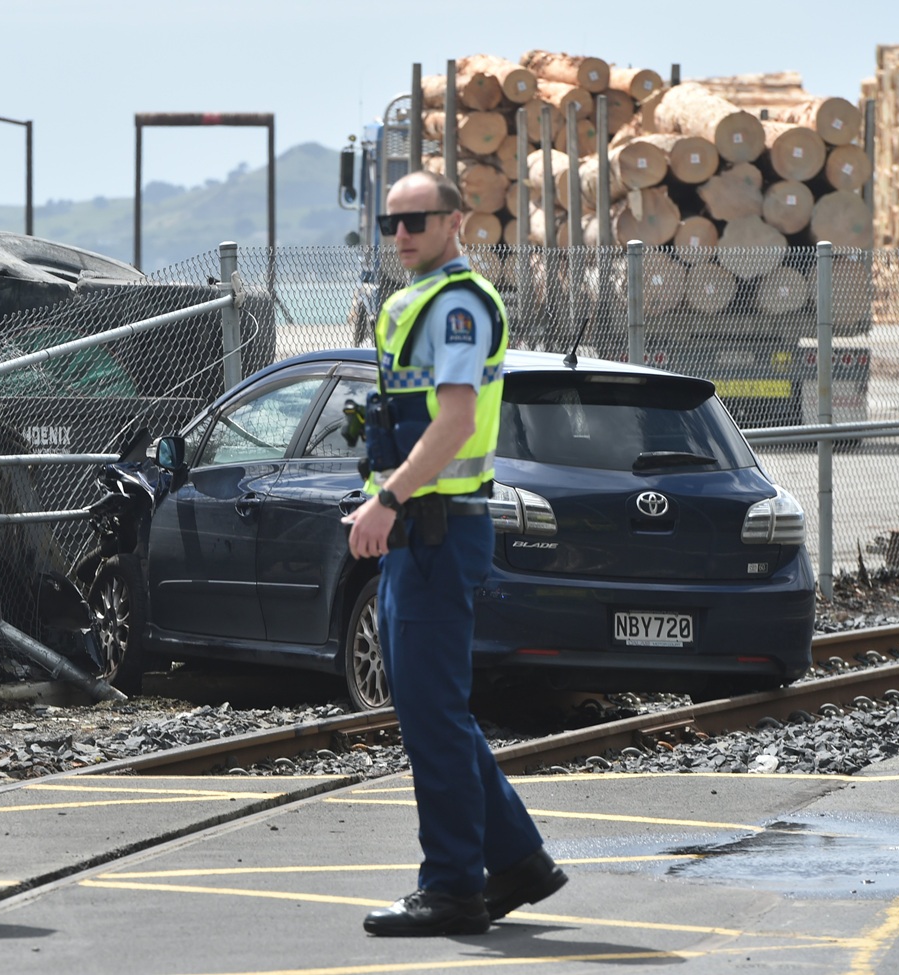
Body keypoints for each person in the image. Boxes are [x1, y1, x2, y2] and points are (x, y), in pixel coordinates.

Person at [345, 171, 568, 936]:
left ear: (455, 221)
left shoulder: (458, 305)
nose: (401, 232)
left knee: (431, 712)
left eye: (417, 219)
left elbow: (455, 420)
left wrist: (389, 497)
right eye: (390, 221)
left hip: (438, 528)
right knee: (428, 706)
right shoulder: (421, 301)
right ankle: (516, 860)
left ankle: (451, 888)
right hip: (426, 531)